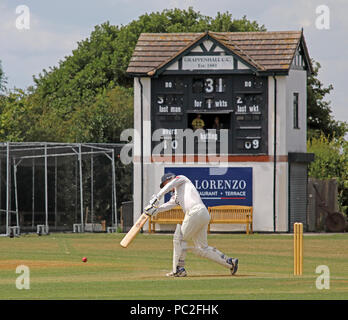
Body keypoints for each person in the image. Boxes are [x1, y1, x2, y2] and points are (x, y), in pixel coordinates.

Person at [144, 173, 238, 277]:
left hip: (195, 212)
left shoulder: (182, 179)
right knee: (202, 248)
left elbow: (171, 184)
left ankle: (179, 269)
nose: (166, 187)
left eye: (165, 183)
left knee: (179, 239)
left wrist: (157, 197)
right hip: (202, 214)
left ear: (169, 179)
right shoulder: (176, 196)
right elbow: (168, 205)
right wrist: (155, 210)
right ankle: (230, 262)